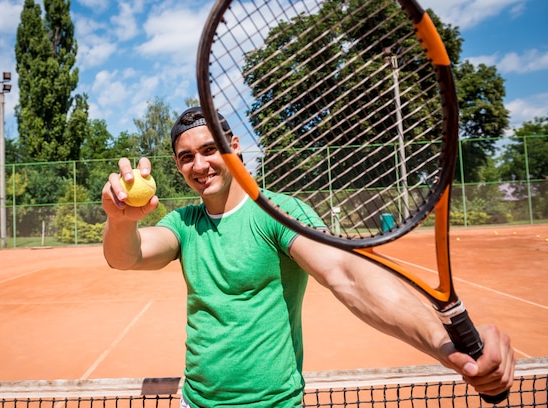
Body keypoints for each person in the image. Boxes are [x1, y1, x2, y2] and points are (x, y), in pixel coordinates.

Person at [101, 107, 514, 407]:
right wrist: (120, 221)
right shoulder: (184, 223)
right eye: (186, 157)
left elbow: (347, 274)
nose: (200, 164)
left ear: (234, 145)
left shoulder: (278, 213)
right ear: (177, 164)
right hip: (196, 403)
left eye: (209, 149)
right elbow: (127, 257)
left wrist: (443, 344)